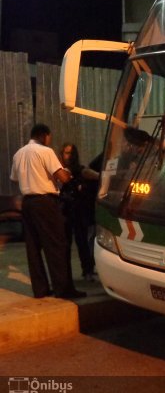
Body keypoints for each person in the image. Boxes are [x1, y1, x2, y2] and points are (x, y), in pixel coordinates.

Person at [10, 124, 86, 299]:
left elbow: (14, 178)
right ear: (44, 136)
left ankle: (40, 289)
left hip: (27, 203)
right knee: (57, 244)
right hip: (45, 202)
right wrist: (66, 173)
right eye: (50, 137)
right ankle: (63, 288)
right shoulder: (45, 151)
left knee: (33, 247)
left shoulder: (18, 153)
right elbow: (63, 178)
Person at [59, 143, 100, 282]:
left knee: (82, 241)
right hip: (64, 211)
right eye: (66, 153)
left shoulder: (79, 170)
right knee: (65, 244)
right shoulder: (58, 170)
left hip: (78, 211)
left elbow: (93, 174)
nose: (68, 156)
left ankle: (87, 270)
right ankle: (65, 274)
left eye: (70, 153)